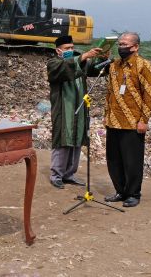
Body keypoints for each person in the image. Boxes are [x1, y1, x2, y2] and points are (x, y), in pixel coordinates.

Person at [103, 32, 151, 208]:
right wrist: (106, 115)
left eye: (124, 44)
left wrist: (144, 120)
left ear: (135, 47)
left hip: (133, 122)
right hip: (113, 120)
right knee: (114, 159)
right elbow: (109, 93)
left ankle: (133, 193)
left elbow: (149, 95)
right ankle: (120, 191)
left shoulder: (143, 65)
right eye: (119, 44)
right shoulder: (114, 66)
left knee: (132, 160)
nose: (121, 47)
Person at [46, 35, 104, 189]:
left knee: (77, 140)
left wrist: (103, 58)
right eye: (67, 48)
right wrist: (84, 56)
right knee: (63, 141)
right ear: (58, 50)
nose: (71, 50)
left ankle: (69, 174)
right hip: (64, 109)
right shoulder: (53, 63)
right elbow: (65, 69)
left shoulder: (79, 61)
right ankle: (56, 175)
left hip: (79, 108)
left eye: (72, 47)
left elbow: (95, 69)